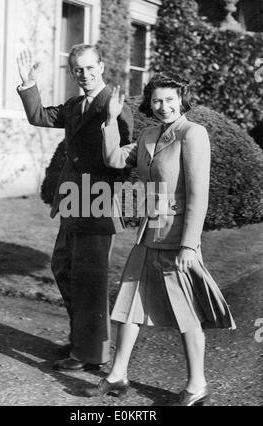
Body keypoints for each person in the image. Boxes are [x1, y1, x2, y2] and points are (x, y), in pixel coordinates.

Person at [83, 73, 236, 405]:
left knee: (186, 311)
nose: (163, 106)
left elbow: (199, 195)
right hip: (147, 233)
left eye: (169, 99)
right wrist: (110, 119)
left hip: (176, 238)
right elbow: (113, 159)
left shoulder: (193, 134)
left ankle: (197, 385)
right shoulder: (149, 134)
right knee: (129, 304)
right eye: (156, 100)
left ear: (181, 100)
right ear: (149, 104)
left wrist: (189, 245)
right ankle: (117, 375)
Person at [17, 45, 134, 371]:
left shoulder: (114, 105)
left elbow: (122, 163)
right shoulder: (74, 105)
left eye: (90, 67)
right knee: (64, 269)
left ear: (102, 65)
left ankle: (92, 355)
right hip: (72, 200)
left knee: (91, 280)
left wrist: (111, 120)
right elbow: (39, 116)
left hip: (97, 201)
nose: (85, 74)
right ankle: (83, 338)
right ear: (72, 72)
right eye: (78, 69)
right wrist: (28, 84)